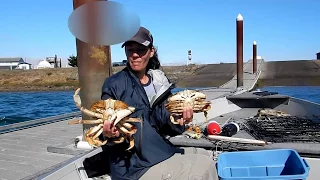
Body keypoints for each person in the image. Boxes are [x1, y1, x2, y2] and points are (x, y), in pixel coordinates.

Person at [100, 26, 217, 180]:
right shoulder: (114, 84)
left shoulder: (159, 83)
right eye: (130, 49)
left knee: (204, 153)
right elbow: (102, 129)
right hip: (133, 167)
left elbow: (163, 123)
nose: (135, 55)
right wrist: (109, 135)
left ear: (151, 51)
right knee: (205, 165)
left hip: (157, 150)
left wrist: (177, 121)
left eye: (140, 49)